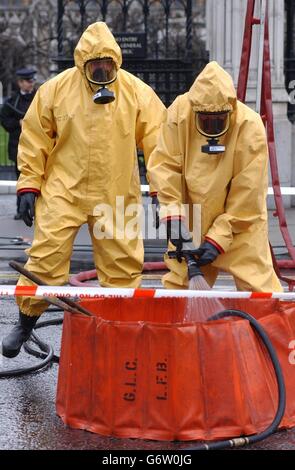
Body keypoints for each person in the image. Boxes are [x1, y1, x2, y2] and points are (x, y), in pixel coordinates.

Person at [1, 22, 165, 358]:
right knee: (45, 258)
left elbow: (160, 145)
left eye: (108, 67)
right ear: (82, 66)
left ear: (116, 64)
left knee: (122, 266)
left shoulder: (136, 92)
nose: (102, 73)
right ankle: (25, 321)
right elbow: (34, 137)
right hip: (64, 188)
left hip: (115, 190)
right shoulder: (56, 90)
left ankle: (120, 334)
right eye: (95, 68)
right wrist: (29, 184)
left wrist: (162, 192)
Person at [147, 61, 282, 292]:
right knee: (177, 292)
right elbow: (165, 167)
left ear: (230, 110)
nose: (211, 127)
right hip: (191, 222)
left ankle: (264, 330)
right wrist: (173, 217)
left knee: (260, 293)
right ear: (195, 109)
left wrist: (219, 237)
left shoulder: (249, 126)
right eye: (206, 121)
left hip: (239, 227)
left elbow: (247, 195)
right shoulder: (180, 113)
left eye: (218, 121)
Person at [0, 68, 37, 219]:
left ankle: (37, 209)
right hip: (18, 146)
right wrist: (18, 123)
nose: (31, 84)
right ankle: (21, 209)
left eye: (32, 81)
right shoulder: (12, 101)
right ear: (20, 83)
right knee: (21, 178)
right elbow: (4, 120)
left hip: (36, 146)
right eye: (28, 81)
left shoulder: (39, 97)